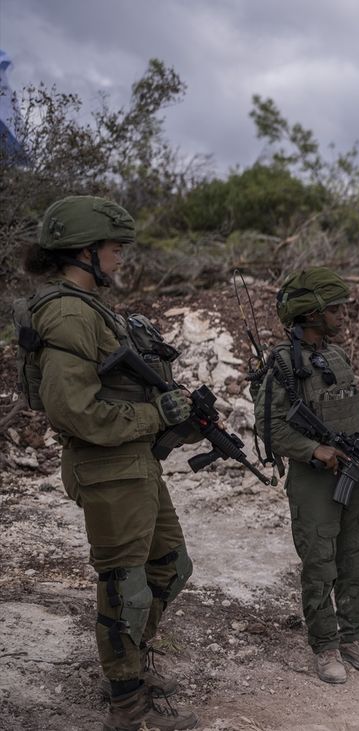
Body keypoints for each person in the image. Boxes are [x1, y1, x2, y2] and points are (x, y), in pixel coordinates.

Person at [16, 196, 199, 730]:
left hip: (132, 461)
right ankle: (127, 703)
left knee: (171, 565)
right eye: (115, 248)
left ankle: (131, 666)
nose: (121, 257)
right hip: (106, 467)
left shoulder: (91, 306)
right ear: (85, 250)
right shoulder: (69, 312)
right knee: (125, 586)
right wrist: (155, 414)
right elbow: (73, 411)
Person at [253, 268, 359, 684]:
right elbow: (269, 426)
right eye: (335, 309)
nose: (342, 316)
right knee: (320, 563)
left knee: (356, 558)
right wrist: (314, 450)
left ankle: (354, 638)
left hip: (355, 470)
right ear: (311, 313)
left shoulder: (337, 356)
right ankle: (325, 644)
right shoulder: (283, 363)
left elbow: (354, 410)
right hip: (314, 479)